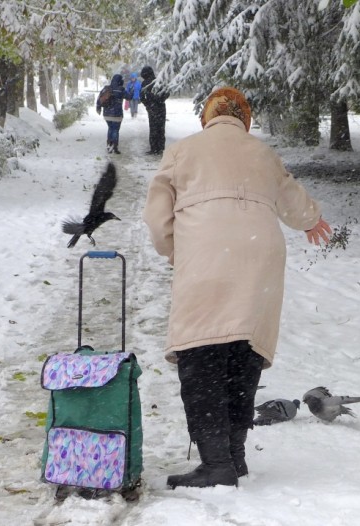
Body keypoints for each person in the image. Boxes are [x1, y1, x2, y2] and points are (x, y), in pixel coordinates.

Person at [142, 87, 332, 489]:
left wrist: (177, 251)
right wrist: (312, 220)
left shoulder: (183, 151)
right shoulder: (262, 153)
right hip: (259, 259)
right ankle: (235, 456)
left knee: (202, 354)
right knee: (242, 355)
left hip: (208, 257)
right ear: (244, 118)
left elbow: (159, 221)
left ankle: (216, 464)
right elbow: (292, 198)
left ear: (207, 118)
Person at [96, 74, 130, 154]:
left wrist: (98, 108)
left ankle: (109, 144)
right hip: (117, 114)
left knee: (110, 128)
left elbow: (99, 99)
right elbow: (129, 97)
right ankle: (114, 146)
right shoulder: (121, 89)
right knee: (115, 130)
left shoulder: (106, 88)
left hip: (107, 114)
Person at [139, 66, 169, 155]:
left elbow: (141, 96)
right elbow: (167, 93)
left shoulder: (144, 83)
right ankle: (160, 148)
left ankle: (154, 148)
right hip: (160, 108)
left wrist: (147, 104)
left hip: (152, 108)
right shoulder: (158, 81)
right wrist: (160, 100)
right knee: (161, 128)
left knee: (153, 129)